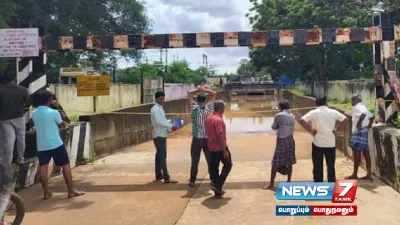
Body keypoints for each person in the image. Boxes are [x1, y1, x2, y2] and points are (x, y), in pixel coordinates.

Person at [32, 90, 84, 200]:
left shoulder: (34, 113)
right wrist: (62, 122)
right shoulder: (54, 112)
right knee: (65, 165)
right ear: (49, 100)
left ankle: (46, 193)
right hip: (56, 143)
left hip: (42, 145)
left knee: (43, 167)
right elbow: (62, 125)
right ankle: (71, 191)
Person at [300, 95, 347, 182]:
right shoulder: (333, 112)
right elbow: (344, 119)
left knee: (317, 166)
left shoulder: (314, 112)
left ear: (316, 103)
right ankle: (331, 185)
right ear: (326, 102)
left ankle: (319, 185)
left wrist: (311, 130)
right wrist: (338, 130)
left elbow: (302, 120)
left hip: (318, 143)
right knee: (331, 166)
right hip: (330, 143)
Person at [187, 86, 216, 187]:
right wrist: (205, 90)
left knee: (195, 160)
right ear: (205, 100)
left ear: (197, 100)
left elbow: (189, 93)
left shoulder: (194, 108)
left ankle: (192, 180)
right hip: (207, 138)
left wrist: (198, 89)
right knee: (210, 160)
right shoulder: (208, 108)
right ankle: (213, 179)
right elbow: (214, 94)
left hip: (197, 138)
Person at [264, 99, 296, 190]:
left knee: (275, 162)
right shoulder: (292, 115)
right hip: (290, 139)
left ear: (280, 107)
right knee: (289, 161)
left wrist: (279, 125)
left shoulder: (279, 115)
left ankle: (271, 184)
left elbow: (273, 127)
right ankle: (289, 181)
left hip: (282, 140)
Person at [0, 71, 29, 165]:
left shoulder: (1, 90)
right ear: (15, 78)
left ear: (5, 79)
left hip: (5, 118)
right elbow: (26, 103)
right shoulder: (23, 90)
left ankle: (7, 161)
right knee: (21, 138)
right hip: (19, 117)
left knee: (9, 139)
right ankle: (20, 159)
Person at [205, 100, 232, 197]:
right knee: (228, 165)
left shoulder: (209, 118)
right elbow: (219, 135)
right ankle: (218, 184)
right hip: (220, 147)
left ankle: (217, 189)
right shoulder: (218, 120)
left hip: (211, 147)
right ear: (221, 109)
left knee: (214, 168)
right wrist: (224, 150)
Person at [150, 91, 178, 183]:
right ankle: (166, 177)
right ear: (156, 99)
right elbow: (158, 122)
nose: (162, 100)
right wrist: (171, 126)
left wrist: (171, 123)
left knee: (159, 155)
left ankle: (158, 175)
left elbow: (163, 121)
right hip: (159, 135)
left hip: (161, 134)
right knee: (162, 156)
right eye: (160, 99)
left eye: (163, 98)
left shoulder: (160, 108)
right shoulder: (155, 109)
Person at [346, 94, 374, 181]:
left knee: (356, 153)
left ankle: (355, 174)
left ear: (355, 100)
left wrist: (359, 123)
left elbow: (363, 114)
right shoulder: (363, 106)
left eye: (352, 100)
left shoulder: (357, 107)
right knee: (366, 153)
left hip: (358, 132)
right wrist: (368, 125)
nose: (351, 102)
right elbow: (372, 116)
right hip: (364, 131)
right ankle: (369, 174)